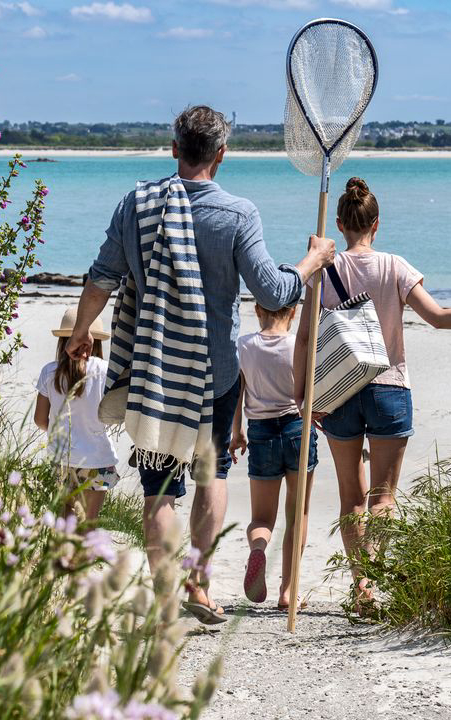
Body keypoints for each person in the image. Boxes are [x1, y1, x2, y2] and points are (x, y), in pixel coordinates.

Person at [66, 105, 335, 623]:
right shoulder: (237, 213)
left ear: (174, 149)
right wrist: (314, 260)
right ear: (221, 155)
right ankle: (199, 584)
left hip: (154, 372)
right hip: (214, 374)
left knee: (160, 487)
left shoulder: (137, 204)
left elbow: (101, 278)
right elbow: (275, 291)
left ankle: (166, 594)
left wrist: (81, 335)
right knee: (211, 476)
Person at [294, 177, 451, 612]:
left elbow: (305, 337)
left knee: (351, 495)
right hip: (389, 387)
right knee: (383, 497)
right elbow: (440, 317)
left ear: (340, 223)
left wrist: (302, 394)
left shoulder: (322, 271)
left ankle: (360, 585)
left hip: (339, 391)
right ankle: (372, 581)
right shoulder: (395, 266)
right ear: (377, 224)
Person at [229, 303, 316, 610]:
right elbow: (311, 391)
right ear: (293, 313)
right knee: (298, 513)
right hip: (297, 429)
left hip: (261, 432)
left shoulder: (244, 345)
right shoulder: (300, 344)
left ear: (257, 309)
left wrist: (236, 431)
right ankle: (288, 590)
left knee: (262, 518)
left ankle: (258, 548)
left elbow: (237, 393)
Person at [34, 306, 119, 521]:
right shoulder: (105, 370)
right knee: (88, 525)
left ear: (62, 341)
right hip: (98, 458)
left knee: (65, 522)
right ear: (96, 342)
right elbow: (115, 413)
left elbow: (40, 419)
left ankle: (62, 555)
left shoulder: (49, 371)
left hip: (62, 458)